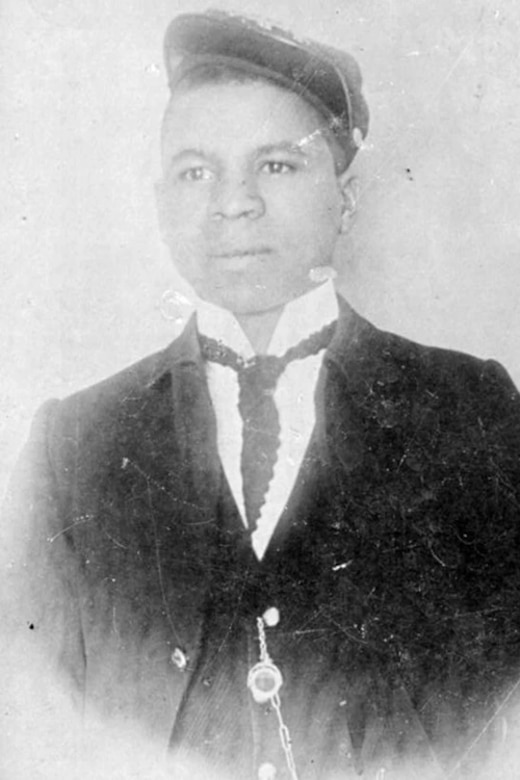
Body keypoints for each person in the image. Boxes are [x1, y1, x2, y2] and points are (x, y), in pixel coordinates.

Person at [3, 9, 520, 780]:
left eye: (276, 164)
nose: (232, 202)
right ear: (157, 202)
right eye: (195, 171)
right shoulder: (72, 442)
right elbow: (32, 730)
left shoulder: (469, 410)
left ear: (346, 198)